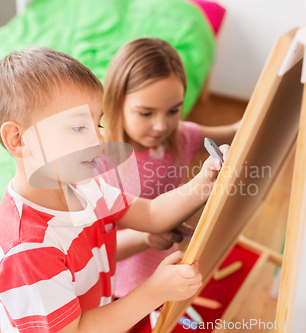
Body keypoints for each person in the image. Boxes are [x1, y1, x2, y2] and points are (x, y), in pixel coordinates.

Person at [0, 46, 228, 333]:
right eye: (78, 128)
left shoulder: (83, 187)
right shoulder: (26, 248)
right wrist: (155, 291)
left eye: (97, 123)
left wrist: (207, 179)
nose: (100, 140)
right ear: (18, 139)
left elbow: (151, 213)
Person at [103, 37, 240, 298]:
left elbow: (236, 132)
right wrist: (144, 238)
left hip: (167, 273)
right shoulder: (101, 164)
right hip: (120, 289)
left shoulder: (180, 137)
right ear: (116, 100)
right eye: (146, 113)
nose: (161, 126)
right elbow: (93, 249)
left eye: (173, 110)